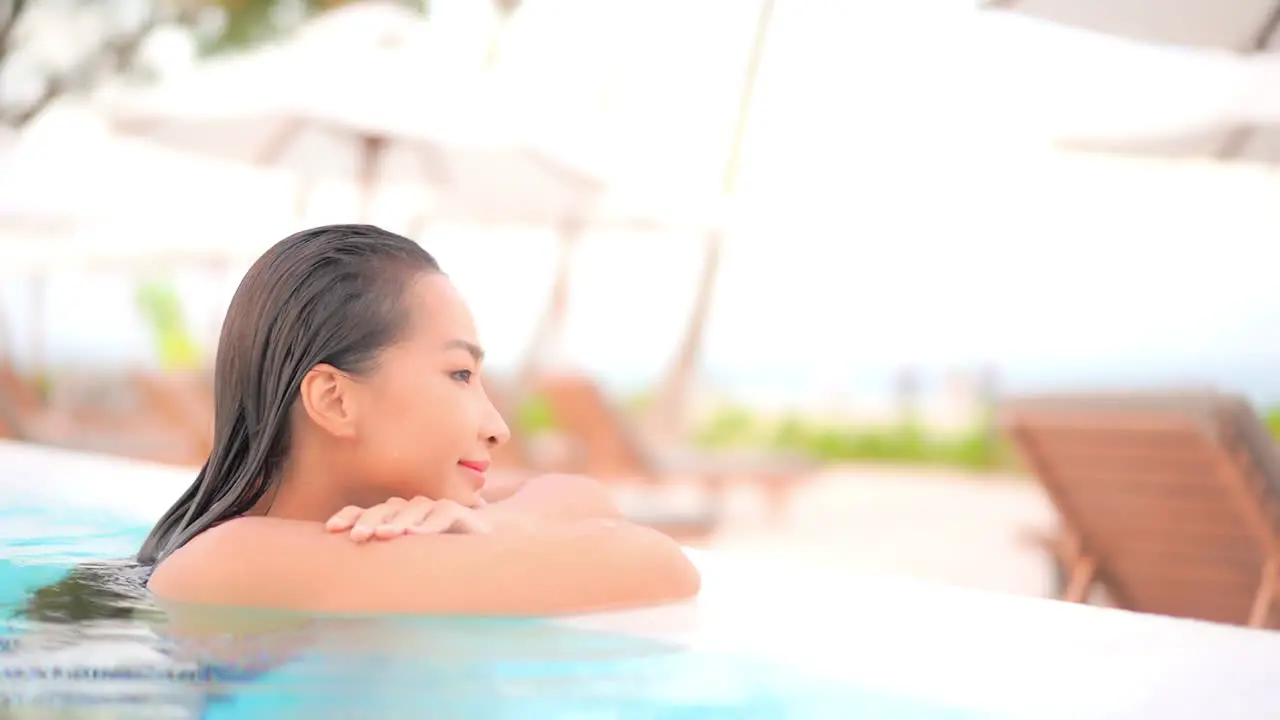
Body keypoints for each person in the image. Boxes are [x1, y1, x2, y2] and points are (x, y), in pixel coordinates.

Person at [139, 224, 700, 615]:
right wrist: (496, 529)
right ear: (334, 400)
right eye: (459, 374)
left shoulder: (372, 522)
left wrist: (484, 521)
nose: (498, 427)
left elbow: (580, 496)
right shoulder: (228, 564)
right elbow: (660, 566)